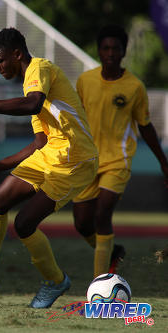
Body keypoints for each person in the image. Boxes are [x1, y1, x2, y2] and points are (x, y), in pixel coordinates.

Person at [0, 28, 98, 309]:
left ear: (17, 54)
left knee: (24, 224)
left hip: (75, 160)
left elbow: (33, 104)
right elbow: (40, 141)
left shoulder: (40, 69)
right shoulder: (29, 82)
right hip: (52, 153)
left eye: (1, 61)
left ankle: (55, 281)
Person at [72, 25, 168, 278]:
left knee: (102, 213)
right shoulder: (85, 81)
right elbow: (75, 118)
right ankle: (112, 251)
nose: (111, 53)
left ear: (124, 52)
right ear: (99, 51)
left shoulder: (134, 86)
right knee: (82, 224)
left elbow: (145, 127)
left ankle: (98, 284)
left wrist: (163, 162)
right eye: (106, 48)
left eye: (116, 48)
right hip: (86, 161)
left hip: (118, 160)